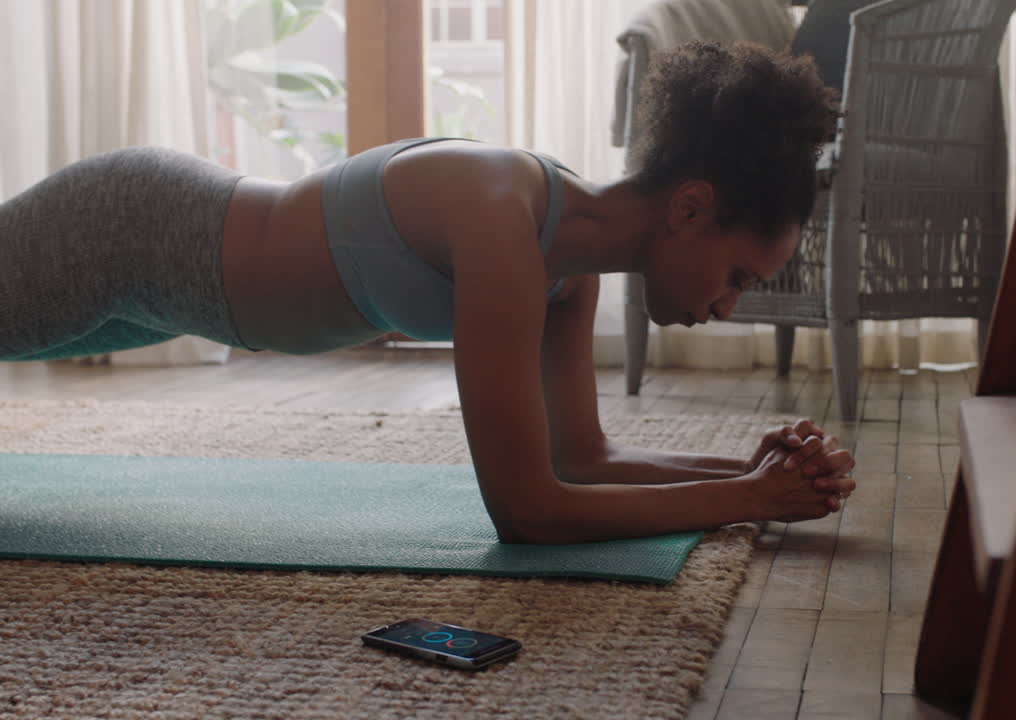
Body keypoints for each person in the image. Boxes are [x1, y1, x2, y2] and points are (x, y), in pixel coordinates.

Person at [0, 41, 856, 543]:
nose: (729, 306)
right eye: (738, 276)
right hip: (136, 234)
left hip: (168, 292)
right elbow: (524, 510)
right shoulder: (503, 226)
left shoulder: (570, 264)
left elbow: (577, 463)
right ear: (691, 207)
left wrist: (743, 468)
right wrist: (748, 503)